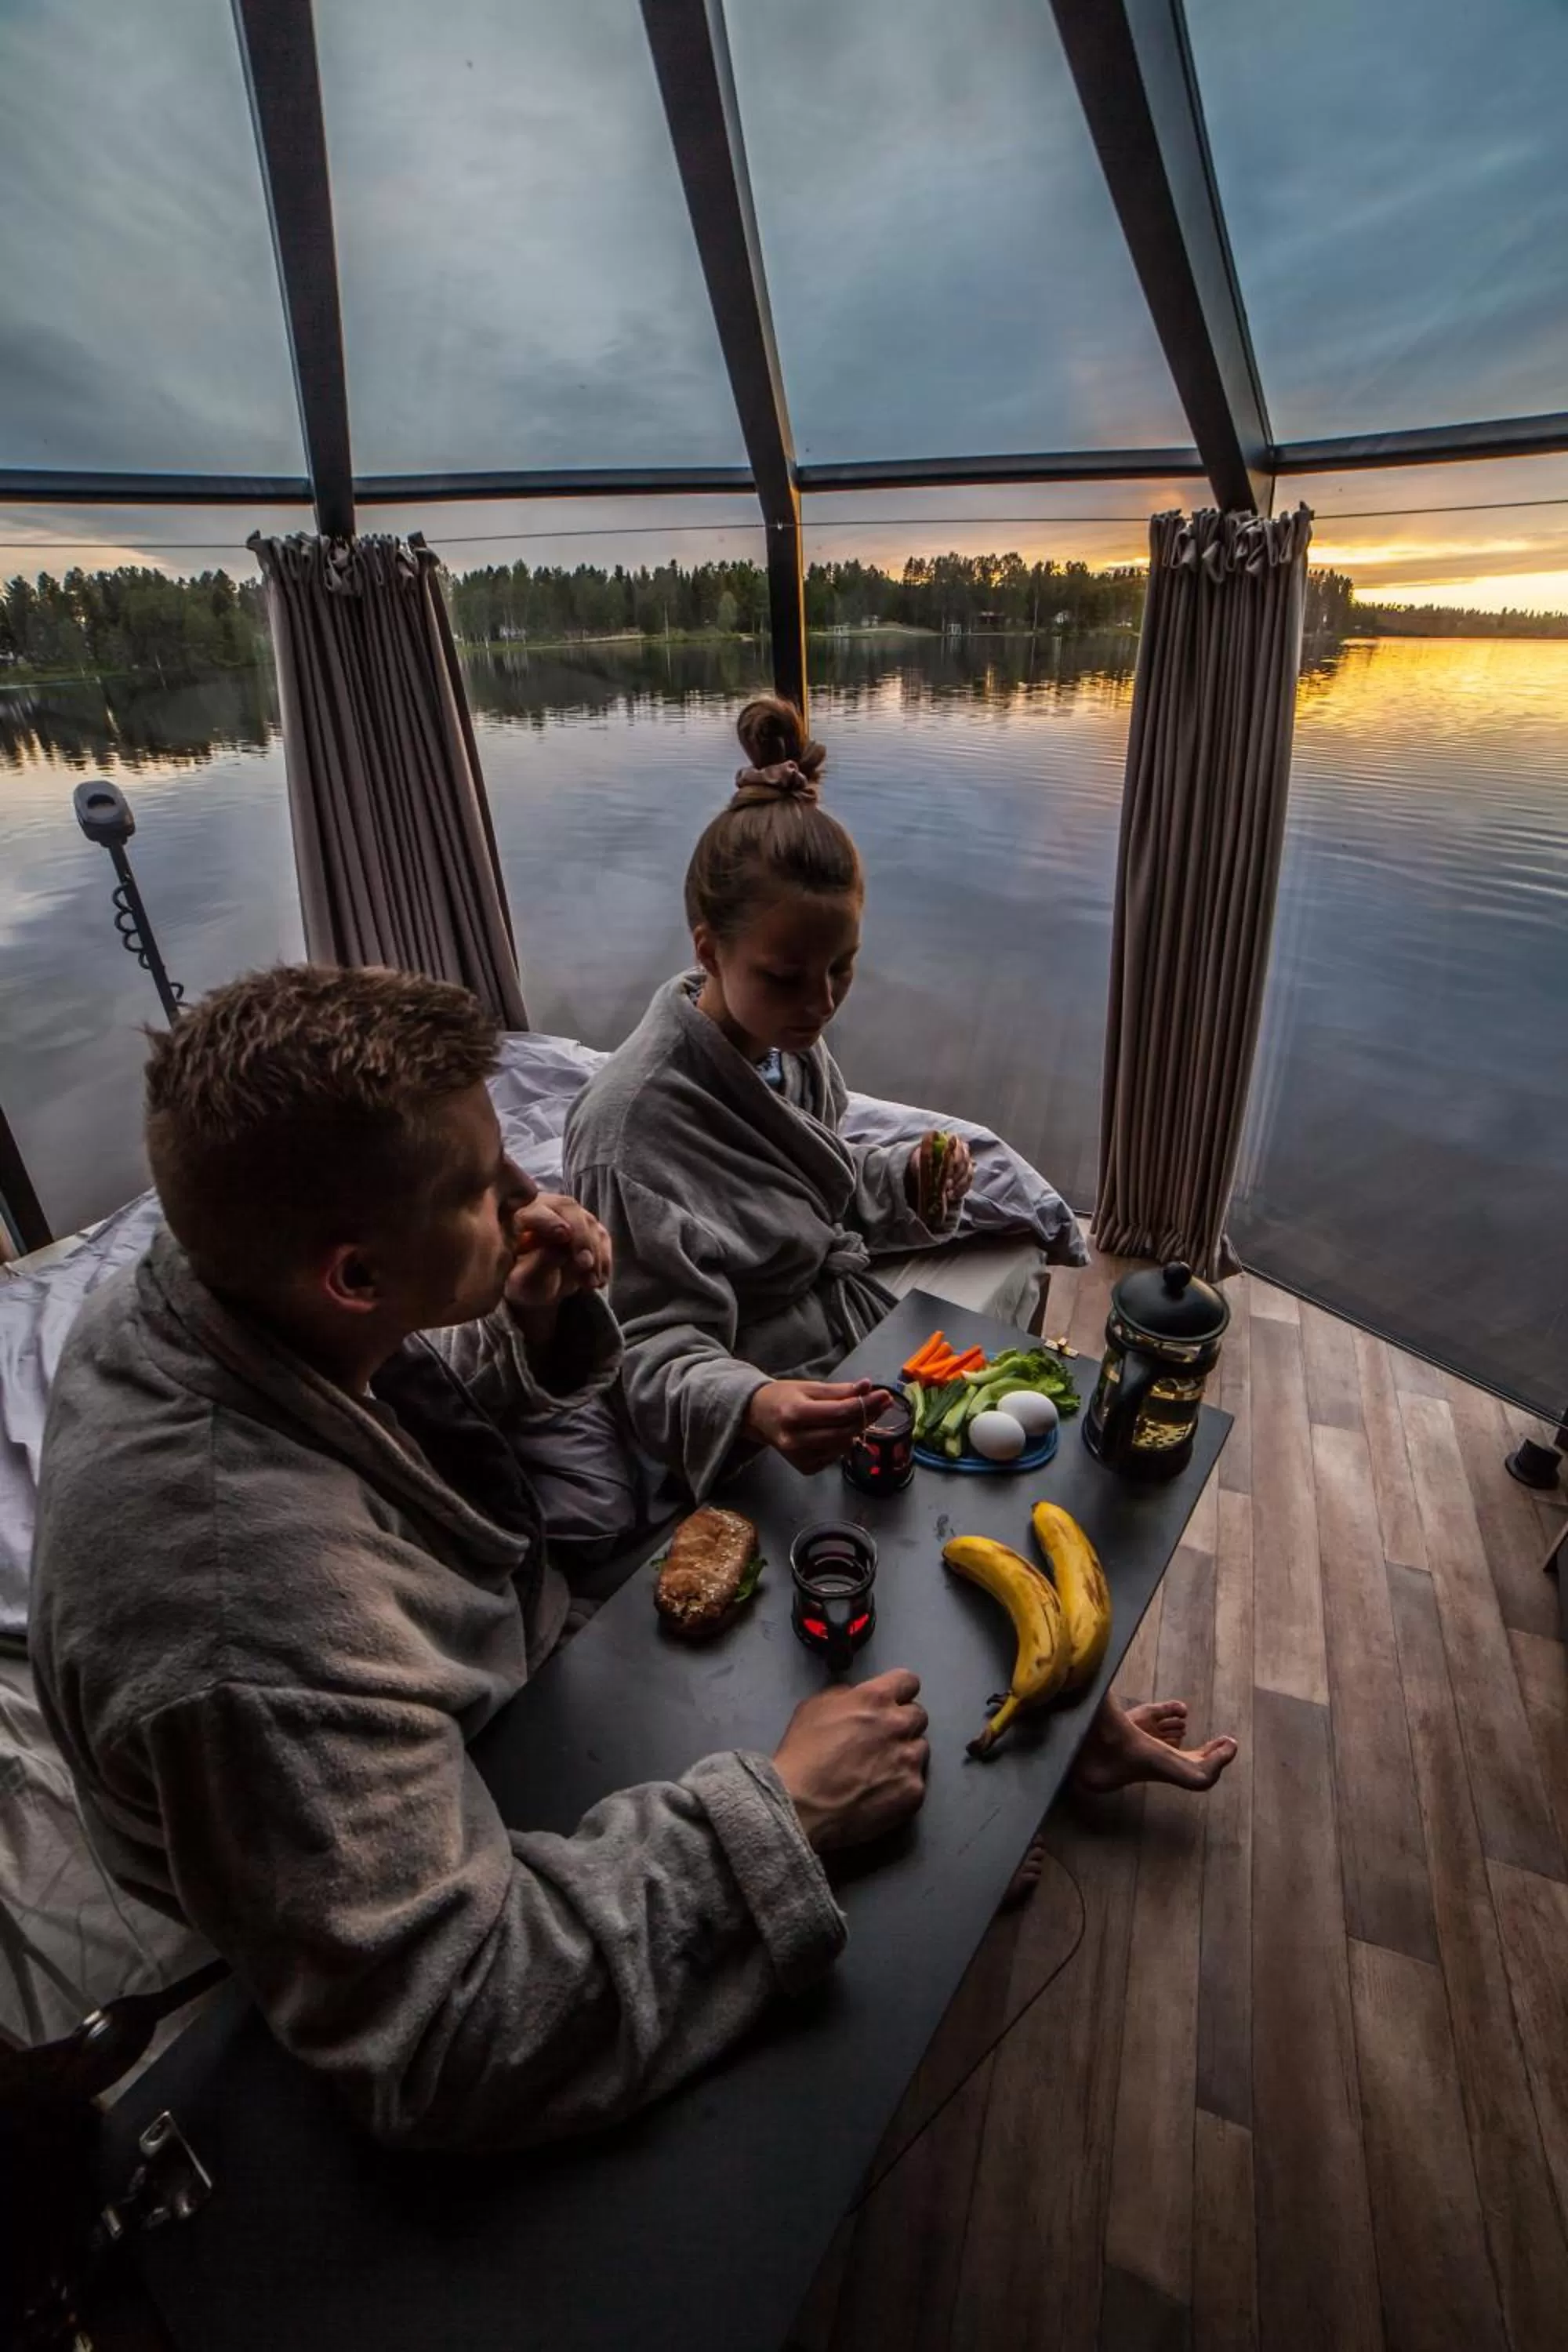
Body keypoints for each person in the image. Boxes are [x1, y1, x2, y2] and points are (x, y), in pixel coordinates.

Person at [29, 964, 930, 2151]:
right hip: (356, 1862)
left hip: (466, 1687)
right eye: (479, 1187)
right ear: (354, 1273)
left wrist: (535, 1322)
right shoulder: (246, 1627)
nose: (527, 1194)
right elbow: (459, 2027)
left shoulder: (208, 1281)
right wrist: (783, 1817)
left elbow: (385, 1390)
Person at [565, 697, 1236, 1802]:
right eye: (788, 977)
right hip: (755, 1394)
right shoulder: (627, 1129)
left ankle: (1072, 1729)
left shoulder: (784, 1051)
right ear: (706, 949)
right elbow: (640, 1356)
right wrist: (756, 1404)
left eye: (844, 972)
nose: (821, 1005)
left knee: (994, 1482)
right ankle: (994, 1769)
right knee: (889, 1551)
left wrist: (901, 1183)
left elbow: (822, 1200)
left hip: (829, 1343)